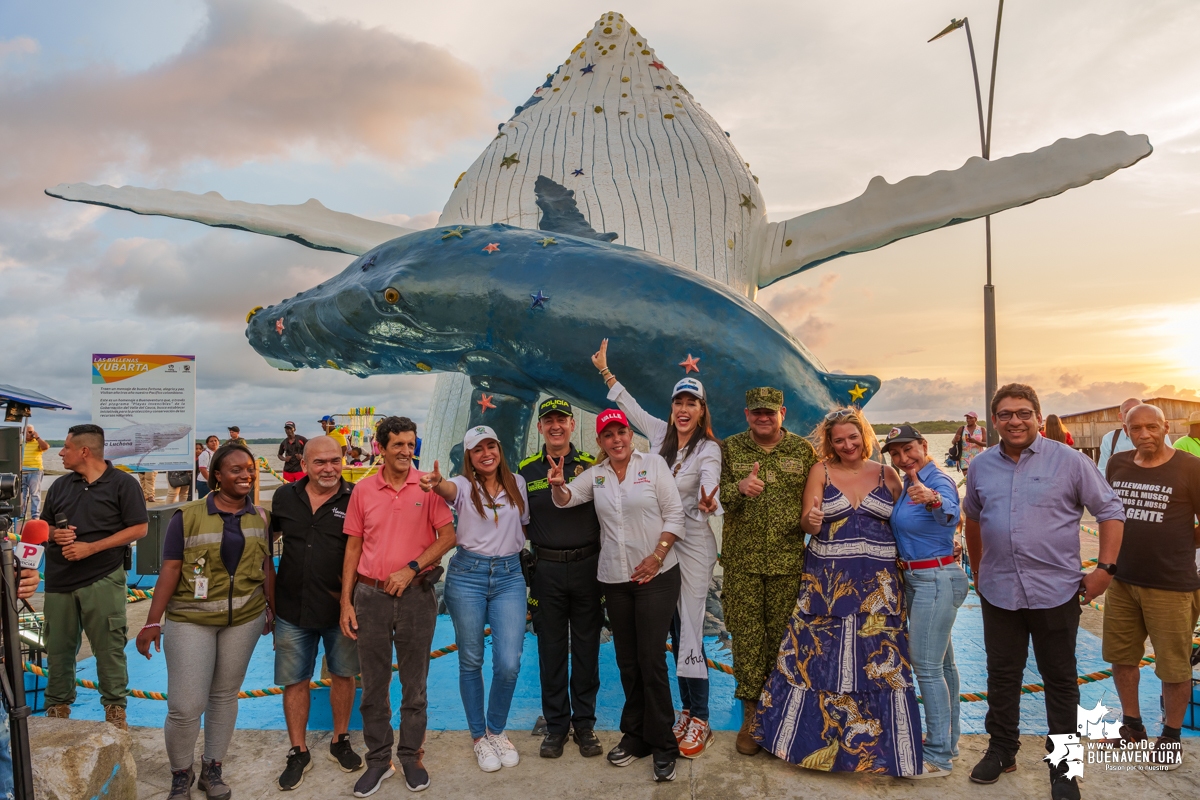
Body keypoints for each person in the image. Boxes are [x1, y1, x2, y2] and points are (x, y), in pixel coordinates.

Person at [963, 383, 1125, 800]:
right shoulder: (981, 465)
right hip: (999, 591)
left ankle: (1064, 768)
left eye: (1022, 413)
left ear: (1037, 415)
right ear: (994, 419)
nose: (1014, 421)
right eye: (1005, 414)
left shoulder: (1069, 461)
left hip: (1056, 590)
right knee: (1001, 675)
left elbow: (1109, 510)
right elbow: (975, 518)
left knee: (1060, 679)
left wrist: (1105, 569)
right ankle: (1003, 750)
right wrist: (979, 570)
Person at [754, 407, 924, 776]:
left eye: (853, 437)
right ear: (829, 443)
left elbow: (910, 522)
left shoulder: (887, 473)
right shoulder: (822, 471)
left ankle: (883, 756)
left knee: (882, 669)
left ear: (865, 435)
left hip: (878, 589)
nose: (847, 445)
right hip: (826, 587)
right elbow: (807, 521)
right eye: (838, 439)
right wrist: (811, 521)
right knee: (815, 663)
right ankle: (801, 746)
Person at [594, 340, 722, 758]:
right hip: (662, 547)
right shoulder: (660, 435)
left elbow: (710, 480)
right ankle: (683, 709)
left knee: (688, 628)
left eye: (692, 403)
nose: (684, 409)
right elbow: (628, 409)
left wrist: (709, 499)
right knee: (668, 629)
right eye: (678, 402)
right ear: (672, 409)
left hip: (694, 544)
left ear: (702, 410)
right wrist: (606, 373)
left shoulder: (708, 448)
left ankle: (699, 716)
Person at [550, 409, 687, 783]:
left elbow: (675, 516)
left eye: (621, 432)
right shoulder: (594, 477)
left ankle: (663, 743)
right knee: (627, 659)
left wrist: (657, 555)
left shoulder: (654, 465)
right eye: (608, 435)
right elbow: (565, 500)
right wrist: (559, 485)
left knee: (651, 658)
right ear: (600, 442)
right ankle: (637, 734)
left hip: (657, 574)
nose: (617, 440)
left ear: (630, 434)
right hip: (615, 577)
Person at [135, 442, 274, 800]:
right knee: (185, 705)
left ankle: (213, 768)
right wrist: (152, 622)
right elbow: (170, 569)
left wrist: (271, 609)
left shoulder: (261, 517)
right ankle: (181, 772)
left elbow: (266, 567)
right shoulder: (188, 515)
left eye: (250, 469)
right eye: (235, 470)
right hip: (191, 619)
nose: (245, 475)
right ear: (216, 476)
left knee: (224, 695)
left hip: (243, 618)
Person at [340, 416, 456, 796]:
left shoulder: (427, 485)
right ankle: (378, 761)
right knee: (373, 684)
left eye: (411, 444)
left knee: (414, 684)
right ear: (381, 448)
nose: (407, 452)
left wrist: (411, 569)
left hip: (416, 596)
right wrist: (346, 601)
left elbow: (449, 535)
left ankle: (410, 756)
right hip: (370, 596)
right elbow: (353, 547)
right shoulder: (363, 490)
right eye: (398, 445)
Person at [421, 426, 530, 773]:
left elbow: (524, 526)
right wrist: (436, 483)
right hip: (467, 575)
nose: (486, 453)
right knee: (470, 659)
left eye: (491, 446)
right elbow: (446, 488)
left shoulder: (519, 484)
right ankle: (479, 738)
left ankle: (496, 730)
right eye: (477, 448)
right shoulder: (463, 486)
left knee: (509, 662)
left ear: (499, 448)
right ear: (468, 456)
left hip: (510, 577)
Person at [717, 387, 817, 756]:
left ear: (782, 413)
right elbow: (713, 496)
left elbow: (819, 494)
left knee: (782, 639)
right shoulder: (730, 449)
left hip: (787, 562)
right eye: (757, 412)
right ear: (747, 414)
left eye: (770, 412)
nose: (763, 417)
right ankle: (751, 716)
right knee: (746, 637)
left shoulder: (802, 452)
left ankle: (781, 715)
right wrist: (739, 488)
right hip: (742, 562)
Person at [1104, 404, 1200, 770]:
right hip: (1123, 579)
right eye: (1136, 428)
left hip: (1172, 584)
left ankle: (1171, 737)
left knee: (1174, 666)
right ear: (1126, 430)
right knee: (1121, 656)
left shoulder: (1190, 467)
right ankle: (1132, 725)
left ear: (1166, 427)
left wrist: (1180, 541)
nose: (1144, 434)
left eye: (1152, 427)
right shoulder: (1118, 464)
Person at [39, 424, 148, 728]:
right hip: (59, 581)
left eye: (66, 447)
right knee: (58, 648)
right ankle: (56, 711)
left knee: (109, 647)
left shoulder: (123, 484)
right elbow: (41, 526)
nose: (60, 452)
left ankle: (115, 711)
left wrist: (92, 548)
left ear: (84, 451)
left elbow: (139, 528)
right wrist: (55, 534)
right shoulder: (60, 486)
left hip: (103, 577)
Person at [270, 436, 363, 789]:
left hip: (341, 607)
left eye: (335, 461)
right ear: (304, 465)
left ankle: (340, 739)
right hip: (291, 607)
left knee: (344, 673)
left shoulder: (356, 497)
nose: (329, 468)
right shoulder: (283, 497)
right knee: (295, 679)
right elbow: (264, 545)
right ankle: (298, 750)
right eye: (320, 462)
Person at [516, 397, 604, 760]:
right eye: (548, 420)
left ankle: (584, 725)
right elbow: (514, 520)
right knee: (550, 653)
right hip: (546, 572)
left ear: (571, 425)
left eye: (562, 420)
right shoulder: (524, 471)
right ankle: (556, 728)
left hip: (588, 569)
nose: (555, 426)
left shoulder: (590, 466)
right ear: (540, 428)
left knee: (587, 652)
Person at [884, 424, 968, 778]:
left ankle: (936, 755)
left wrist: (932, 499)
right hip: (924, 579)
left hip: (935, 580)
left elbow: (949, 510)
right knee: (944, 666)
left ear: (923, 445)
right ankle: (947, 742)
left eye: (909, 450)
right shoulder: (908, 483)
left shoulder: (936, 480)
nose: (904, 458)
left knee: (927, 668)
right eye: (896, 454)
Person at [1098, 397, 1171, 474]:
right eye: (1127, 411)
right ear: (1120, 416)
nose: (1133, 413)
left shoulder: (1159, 435)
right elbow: (1102, 469)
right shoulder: (1110, 438)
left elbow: (1168, 460)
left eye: (1137, 409)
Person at [20, 424, 49, 519]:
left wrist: (38, 437)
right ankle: (21, 514)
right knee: (22, 494)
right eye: (27, 432)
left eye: (30, 432)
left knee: (35, 494)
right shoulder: (21, 443)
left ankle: (35, 515)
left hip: (35, 471)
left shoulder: (37, 442)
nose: (29, 434)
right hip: (22, 471)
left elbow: (45, 447)